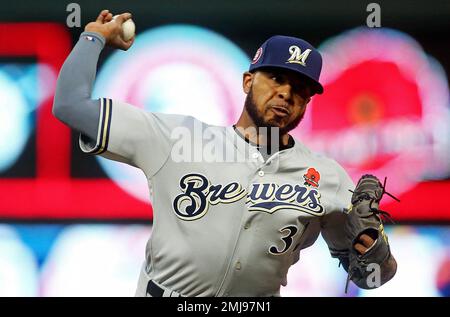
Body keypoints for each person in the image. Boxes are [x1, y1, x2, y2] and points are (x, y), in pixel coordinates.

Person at [53, 10, 397, 297]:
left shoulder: (328, 177)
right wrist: (92, 37)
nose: (285, 94)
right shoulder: (177, 138)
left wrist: (373, 250)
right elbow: (70, 106)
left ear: (308, 102)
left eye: (300, 89)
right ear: (248, 81)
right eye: (276, 78)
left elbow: (373, 277)